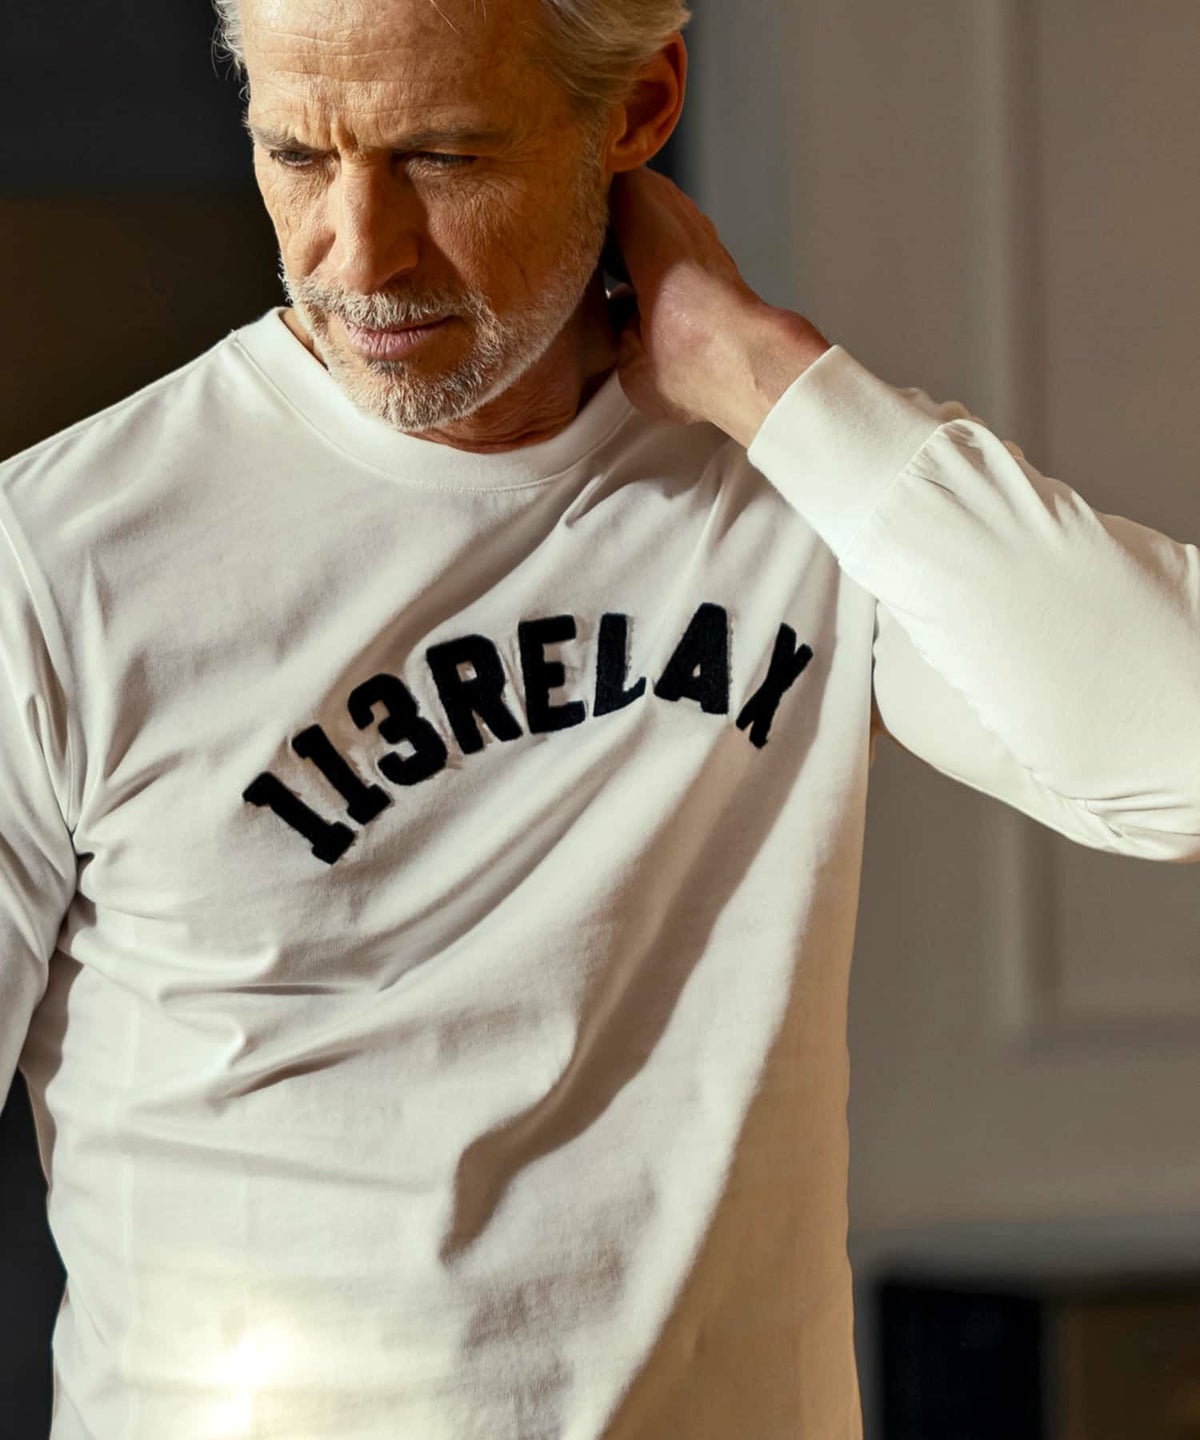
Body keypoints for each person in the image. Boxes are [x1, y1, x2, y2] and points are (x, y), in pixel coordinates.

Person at [1, 0, 1197, 1435]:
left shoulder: (804, 493)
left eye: (442, 156)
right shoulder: (58, 557)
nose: (357, 256)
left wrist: (759, 370)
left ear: (635, 110)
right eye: (298, 156)